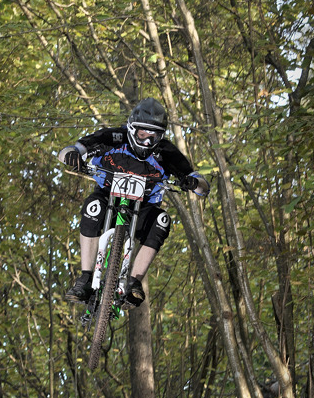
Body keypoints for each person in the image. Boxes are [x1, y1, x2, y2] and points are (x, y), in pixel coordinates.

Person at [59, 98, 209, 308]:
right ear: (131, 129)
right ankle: (85, 278)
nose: (147, 142)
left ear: (161, 136)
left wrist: (193, 182)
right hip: (107, 196)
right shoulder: (113, 137)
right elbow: (70, 150)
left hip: (144, 208)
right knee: (93, 207)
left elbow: (202, 186)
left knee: (163, 220)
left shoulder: (166, 151)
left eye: (154, 136)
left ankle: (133, 282)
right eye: (142, 135)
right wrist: (72, 156)